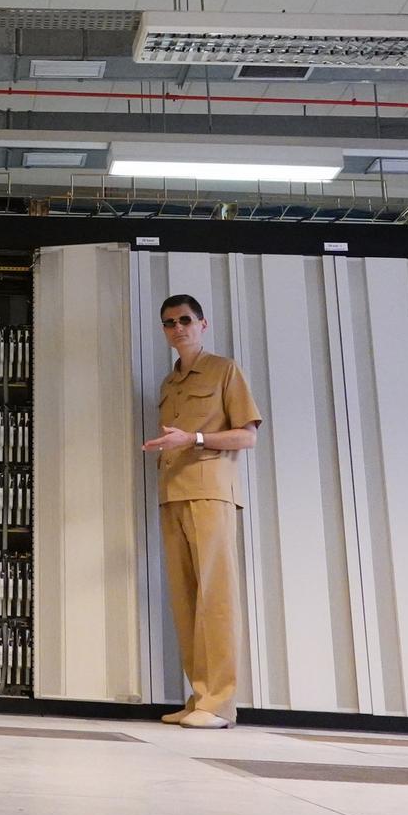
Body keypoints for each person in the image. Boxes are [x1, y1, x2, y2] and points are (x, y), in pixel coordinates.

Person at [141, 293, 262, 729]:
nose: (178, 328)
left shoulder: (224, 370)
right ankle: (200, 698)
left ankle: (220, 703)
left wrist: (192, 439)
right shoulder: (168, 383)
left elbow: (247, 436)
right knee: (187, 600)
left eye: (185, 320)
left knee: (217, 598)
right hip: (173, 493)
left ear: (202, 324)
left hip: (210, 492)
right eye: (169, 322)